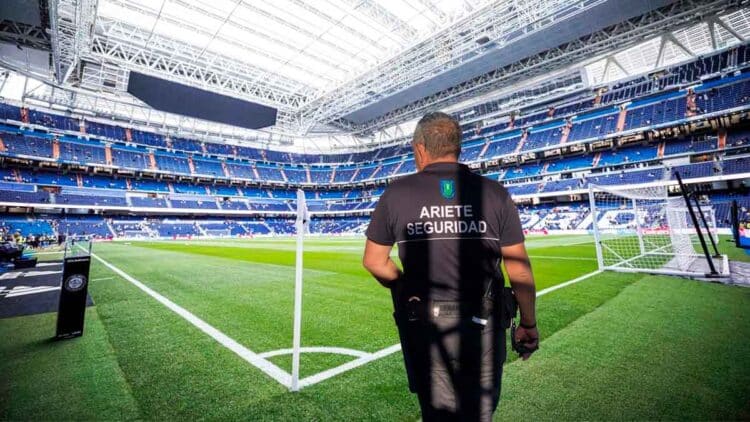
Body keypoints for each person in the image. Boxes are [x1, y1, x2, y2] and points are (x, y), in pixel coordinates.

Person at [362, 112, 539, 421]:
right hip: (485, 325)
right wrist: (529, 323)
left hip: (428, 328)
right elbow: (520, 270)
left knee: (438, 415)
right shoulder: (496, 194)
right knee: (480, 413)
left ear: (419, 149)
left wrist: (404, 286)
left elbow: (375, 262)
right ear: (458, 148)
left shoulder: (396, 194)